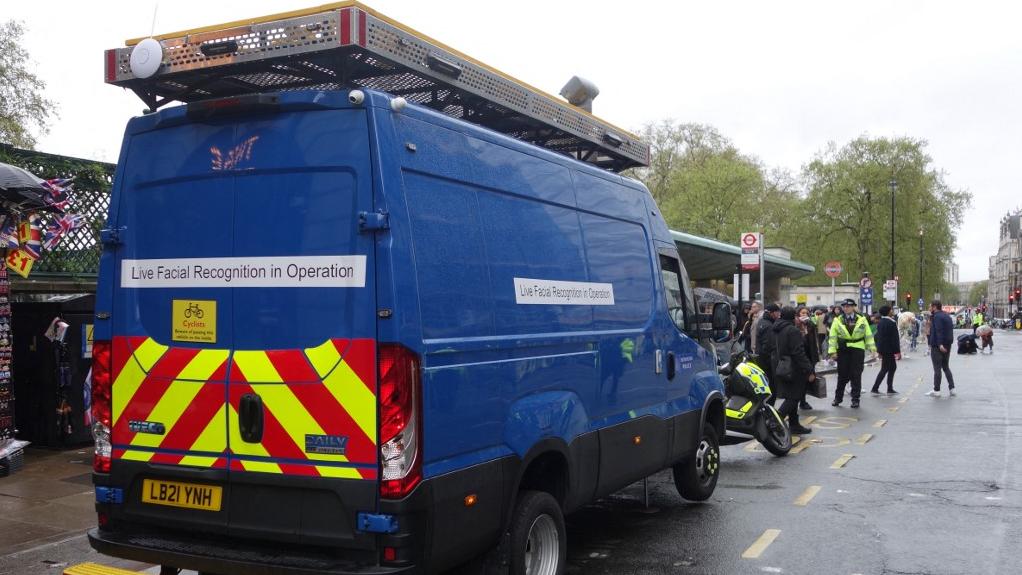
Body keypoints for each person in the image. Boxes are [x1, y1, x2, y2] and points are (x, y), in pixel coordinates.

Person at [771, 306, 815, 435]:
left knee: (791, 394)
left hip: (780, 365)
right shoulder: (792, 330)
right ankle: (776, 420)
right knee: (794, 397)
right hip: (793, 367)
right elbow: (798, 352)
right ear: (793, 317)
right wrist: (809, 369)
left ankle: (794, 424)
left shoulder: (776, 328)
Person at [828, 298, 876, 408]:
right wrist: (832, 352)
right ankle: (838, 398)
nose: (846, 308)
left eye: (848, 306)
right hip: (843, 349)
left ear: (853, 307)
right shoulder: (838, 320)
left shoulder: (862, 319)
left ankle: (855, 399)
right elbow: (832, 337)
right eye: (844, 306)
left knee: (856, 375)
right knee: (842, 375)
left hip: (857, 348)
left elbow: (868, 335)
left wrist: (872, 349)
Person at [926, 300, 956, 397]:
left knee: (937, 368)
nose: (929, 308)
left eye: (930, 306)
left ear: (934, 307)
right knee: (946, 367)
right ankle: (952, 388)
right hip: (947, 344)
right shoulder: (946, 316)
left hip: (938, 345)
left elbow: (939, 330)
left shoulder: (937, 317)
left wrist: (940, 344)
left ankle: (936, 390)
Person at [870, 305, 901, 394]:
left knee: (891, 367)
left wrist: (879, 350)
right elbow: (895, 338)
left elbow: (878, 337)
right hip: (889, 349)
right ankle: (877, 388)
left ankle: (889, 388)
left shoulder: (881, 322)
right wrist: (897, 351)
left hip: (883, 349)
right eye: (891, 310)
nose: (892, 311)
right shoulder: (891, 322)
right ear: (888, 312)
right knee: (885, 369)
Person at [755, 303, 781, 395]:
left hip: (760, 358)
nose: (778, 315)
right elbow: (768, 346)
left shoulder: (762, 321)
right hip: (767, 361)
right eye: (777, 312)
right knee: (771, 387)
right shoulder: (769, 326)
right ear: (771, 313)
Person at [798, 307, 820, 410]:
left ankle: (803, 400)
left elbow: (814, 340)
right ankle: (801, 401)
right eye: (802, 312)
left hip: (810, 354)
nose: (804, 314)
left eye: (806, 313)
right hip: (800, 355)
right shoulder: (795, 324)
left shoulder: (810, 324)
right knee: (801, 380)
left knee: (808, 379)